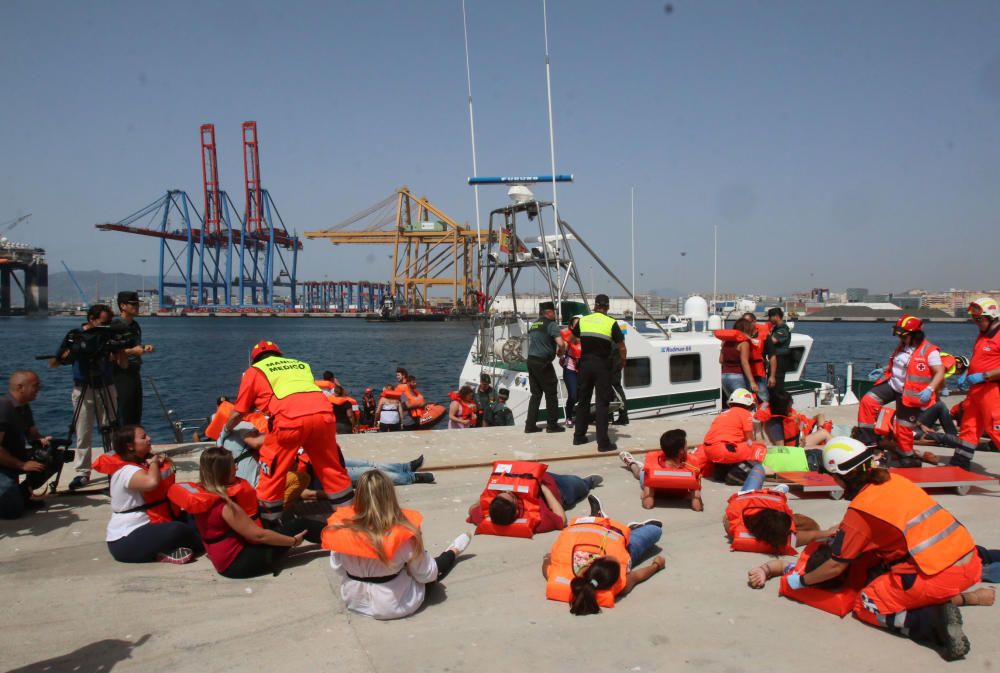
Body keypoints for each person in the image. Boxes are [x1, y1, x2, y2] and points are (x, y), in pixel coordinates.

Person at [787, 437, 983, 661]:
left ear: (839, 477)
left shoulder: (860, 512)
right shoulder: (894, 480)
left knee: (867, 604)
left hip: (938, 575)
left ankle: (931, 623)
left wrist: (801, 582)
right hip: (970, 559)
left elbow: (834, 567)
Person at [222, 340, 353, 527]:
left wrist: (226, 430)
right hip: (323, 416)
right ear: (280, 355)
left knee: (272, 472)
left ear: (255, 360)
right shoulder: (301, 365)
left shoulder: (254, 371)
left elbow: (239, 411)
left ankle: (270, 525)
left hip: (289, 422)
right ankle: (349, 517)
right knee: (332, 469)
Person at [322, 469, 471, 620]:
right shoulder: (401, 535)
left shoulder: (340, 530)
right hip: (392, 605)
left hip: (354, 601)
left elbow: (338, 569)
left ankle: (453, 549)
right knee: (432, 571)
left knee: (403, 565)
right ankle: (454, 550)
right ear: (390, 497)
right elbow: (426, 574)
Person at [182, 447, 308, 578]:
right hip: (237, 564)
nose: (236, 469)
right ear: (222, 472)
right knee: (300, 525)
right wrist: (293, 541)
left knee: (288, 527)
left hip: (223, 561)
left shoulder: (202, 493)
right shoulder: (226, 505)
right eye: (233, 467)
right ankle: (330, 540)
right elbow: (259, 536)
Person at [543, 499, 665, 615]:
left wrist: (547, 560)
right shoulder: (621, 585)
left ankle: (598, 517)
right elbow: (639, 576)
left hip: (589, 533)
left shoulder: (560, 576)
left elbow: (546, 567)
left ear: (593, 561)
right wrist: (657, 565)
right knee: (655, 529)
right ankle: (630, 528)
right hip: (617, 539)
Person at [102, 425, 201, 564]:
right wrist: (154, 463)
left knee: (199, 518)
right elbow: (152, 483)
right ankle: (191, 544)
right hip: (127, 539)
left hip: (154, 526)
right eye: (143, 437)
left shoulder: (144, 463)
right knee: (178, 530)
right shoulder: (126, 471)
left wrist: (159, 461)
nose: (149, 439)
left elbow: (170, 470)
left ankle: (178, 547)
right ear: (130, 446)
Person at [52, 303, 124, 491]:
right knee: (83, 432)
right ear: (91, 319)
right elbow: (56, 360)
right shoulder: (74, 335)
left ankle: (114, 468)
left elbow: (119, 361)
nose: (106, 325)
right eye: (103, 322)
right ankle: (82, 471)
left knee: (111, 429)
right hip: (83, 387)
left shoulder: (107, 335)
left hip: (105, 385)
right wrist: (74, 352)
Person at [857, 316, 945, 461]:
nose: (899, 338)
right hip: (893, 385)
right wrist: (883, 369)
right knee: (867, 402)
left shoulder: (929, 351)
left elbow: (939, 372)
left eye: (902, 335)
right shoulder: (902, 346)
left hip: (910, 394)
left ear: (914, 334)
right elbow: (899, 364)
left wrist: (930, 388)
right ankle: (868, 442)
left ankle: (908, 458)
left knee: (903, 427)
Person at [466, 464, 604, 534]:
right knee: (576, 483)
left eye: (504, 493)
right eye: (511, 495)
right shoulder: (535, 518)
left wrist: (491, 490)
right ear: (516, 510)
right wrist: (544, 488)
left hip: (534, 476)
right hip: (558, 489)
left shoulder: (486, 513)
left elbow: (471, 509)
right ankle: (588, 482)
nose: (509, 491)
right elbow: (561, 520)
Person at [951, 297, 1000, 469]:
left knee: (996, 429)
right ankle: (960, 464)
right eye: (975, 319)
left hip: (992, 390)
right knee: (969, 426)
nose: (976, 322)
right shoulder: (983, 336)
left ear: (991, 316)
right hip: (976, 391)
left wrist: (984, 376)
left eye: (979, 319)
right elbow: (980, 359)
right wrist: (966, 373)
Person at [573, 294, 627, 452]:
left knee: (583, 401)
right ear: (607, 307)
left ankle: (579, 437)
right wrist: (623, 361)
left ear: (594, 306)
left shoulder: (583, 320)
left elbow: (571, 339)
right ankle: (603, 443)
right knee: (602, 404)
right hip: (602, 365)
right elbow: (621, 347)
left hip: (585, 364)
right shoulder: (611, 322)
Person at [686, 388, 768, 484]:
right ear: (749, 405)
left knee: (733, 448)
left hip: (709, 450)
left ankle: (721, 473)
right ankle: (737, 475)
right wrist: (756, 445)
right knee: (759, 447)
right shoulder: (746, 414)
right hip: (724, 450)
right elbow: (749, 439)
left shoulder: (723, 414)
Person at [0, 371, 51, 519]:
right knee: (12, 512)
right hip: (5, 462)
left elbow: (32, 433)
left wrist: (42, 440)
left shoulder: (23, 407)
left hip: (14, 459)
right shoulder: (3, 408)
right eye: (35, 386)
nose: (38, 389)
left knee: (53, 455)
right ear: (20, 387)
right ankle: (15, 497)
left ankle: (20, 494)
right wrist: (22, 465)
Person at [619, 429, 703, 512]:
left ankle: (638, 465)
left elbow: (648, 505)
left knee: (643, 472)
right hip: (655, 472)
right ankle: (631, 463)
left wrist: (646, 493)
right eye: (686, 445)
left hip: (664, 470)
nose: (687, 447)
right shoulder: (653, 467)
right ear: (681, 451)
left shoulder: (690, 464)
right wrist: (694, 493)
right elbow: (697, 508)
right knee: (638, 473)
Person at [112, 291, 154, 426]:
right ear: (123, 306)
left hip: (135, 371)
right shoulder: (115, 327)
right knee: (123, 412)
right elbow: (111, 353)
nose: (137, 306)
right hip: (120, 373)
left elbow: (133, 346)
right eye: (133, 304)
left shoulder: (135, 326)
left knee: (136, 412)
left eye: (137, 304)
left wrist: (144, 347)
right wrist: (133, 351)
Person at [525, 301, 567, 433]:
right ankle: (552, 425)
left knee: (536, 394)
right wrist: (561, 351)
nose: (555, 313)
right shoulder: (551, 324)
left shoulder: (534, 324)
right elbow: (561, 343)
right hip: (543, 362)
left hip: (531, 361)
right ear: (548, 312)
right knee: (551, 393)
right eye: (553, 311)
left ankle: (530, 425)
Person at [757, 389, 831, 449]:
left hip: (799, 442)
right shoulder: (775, 425)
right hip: (795, 450)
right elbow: (781, 450)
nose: (791, 406)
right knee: (826, 447)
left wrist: (802, 434)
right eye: (790, 405)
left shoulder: (783, 414)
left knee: (824, 432)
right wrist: (801, 447)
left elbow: (800, 422)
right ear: (782, 407)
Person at [716, 317, 760, 404]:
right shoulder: (744, 343)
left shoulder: (725, 342)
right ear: (747, 328)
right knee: (744, 404)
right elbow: (744, 362)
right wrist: (752, 382)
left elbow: (721, 360)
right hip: (738, 377)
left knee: (733, 404)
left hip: (724, 377)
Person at [560, 316, 581, 427]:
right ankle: (568, 417)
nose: (578, 327)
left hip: (583, 370)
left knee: (581, 395)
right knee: (572, 395)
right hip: (570, 369)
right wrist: (561, 351)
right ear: (571, 327)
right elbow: (560, 352)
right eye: (576, 325)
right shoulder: (568, 339)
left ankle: (578, 414)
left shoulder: (586, 338)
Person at [766, 307, 792, 393]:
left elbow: (773, 340)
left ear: (776, 316)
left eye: (770, 317)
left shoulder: (782, 329)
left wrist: (765, 333)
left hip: (780, 359)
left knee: (777, 383)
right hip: (774, 358)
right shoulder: (776, 329)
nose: (769, 319)